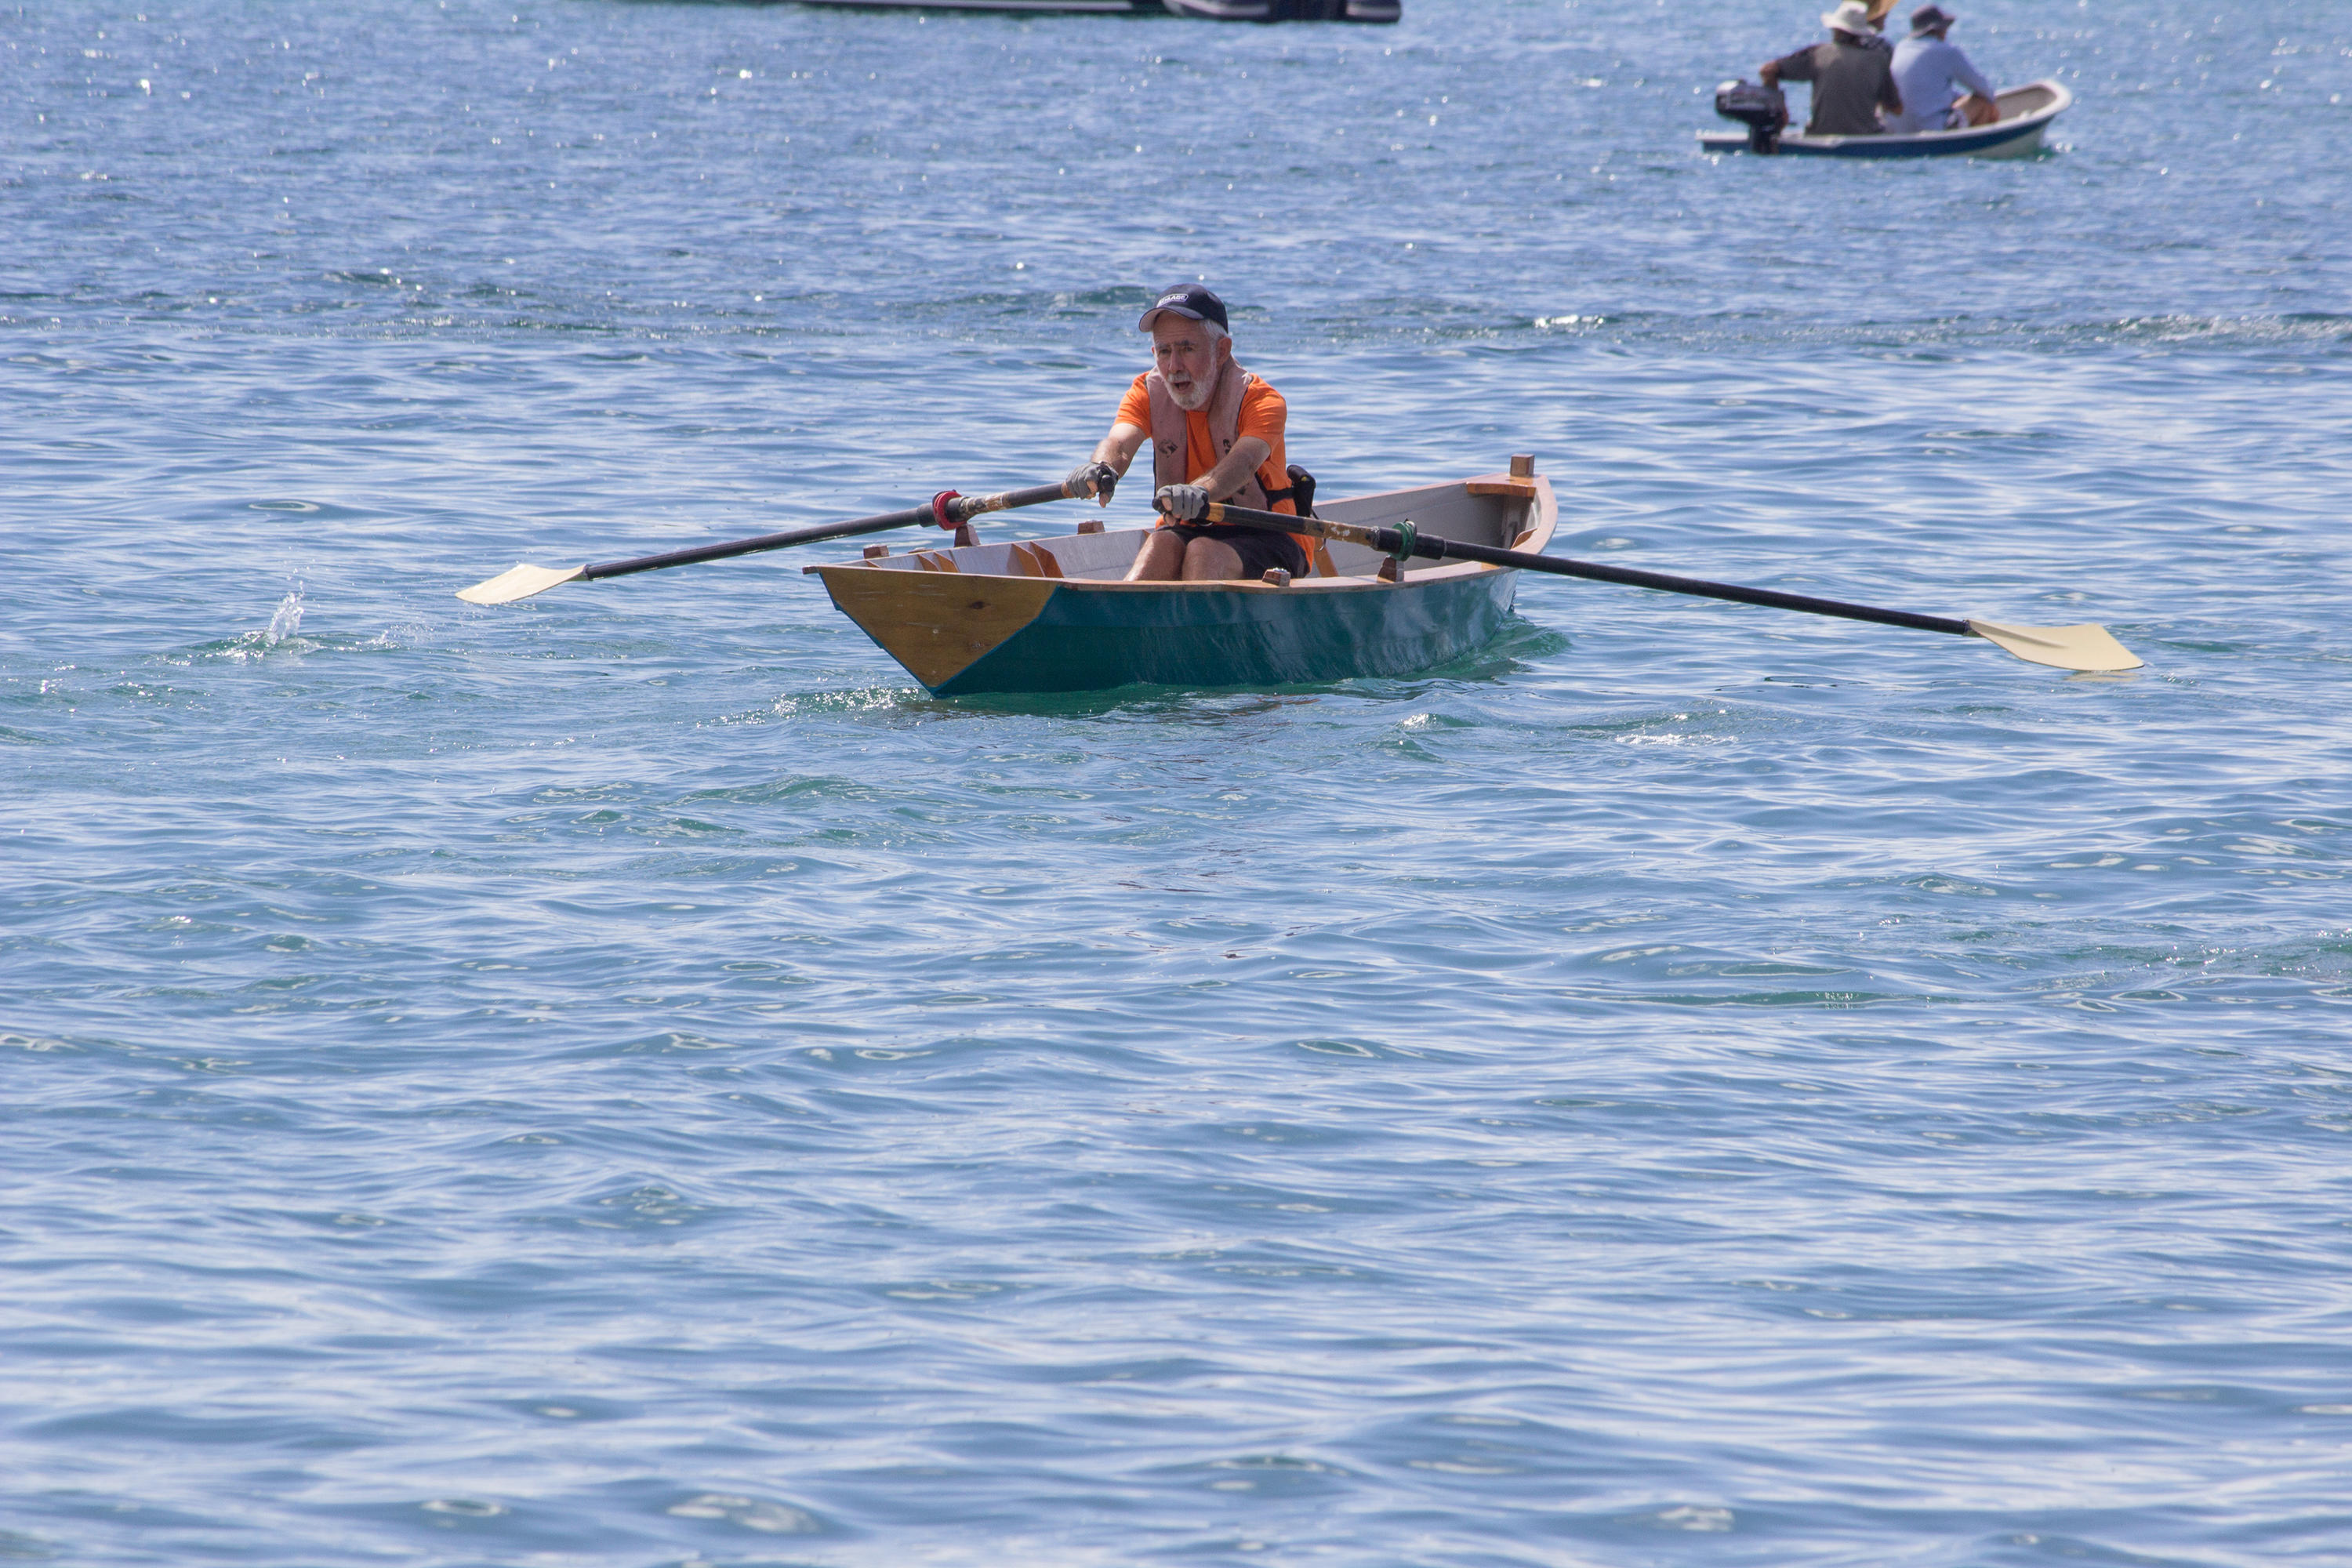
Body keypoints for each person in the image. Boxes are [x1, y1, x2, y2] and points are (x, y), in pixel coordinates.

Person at [1065, 283, 1312, 584]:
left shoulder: (1262, 400)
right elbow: (1119, 443)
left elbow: (1245, 462)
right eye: (1165, 351)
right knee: (1160, 544)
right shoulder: (1145, 392)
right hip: (1190, 528)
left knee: (1203, 553)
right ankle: (1125, 618)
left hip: (1270, 533)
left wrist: (1201, 491)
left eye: (1187, 349)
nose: (1173, 366)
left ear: (1221, 350)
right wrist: (1101, 467)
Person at [1759, 0, 1902, 136]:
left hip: (1819, 135)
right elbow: (1897, 109)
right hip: (1866, 136)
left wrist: (1780, 115)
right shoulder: (1878, 60)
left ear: (1836, 30)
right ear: (1862, 33)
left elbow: (1767, 71)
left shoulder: (1818, 54)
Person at [1886, 5, 1999, 133]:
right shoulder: (1946, 51)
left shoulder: (1900, 48)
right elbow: (1985, 90)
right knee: (1982, 102)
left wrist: (1957, 98)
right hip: (1932, 130)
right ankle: (1977, 148)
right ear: (1938, 29)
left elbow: (1928, 91)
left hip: (1899, 131)